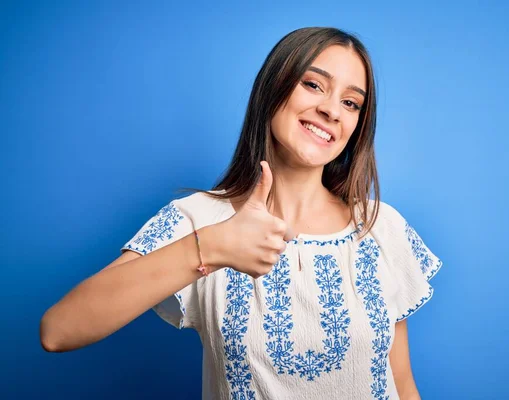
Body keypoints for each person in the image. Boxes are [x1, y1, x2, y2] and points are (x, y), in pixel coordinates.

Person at [40, 27, 443, 400]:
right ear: (273, 89)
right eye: (313, 84)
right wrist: (210, 248)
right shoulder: (199, 219)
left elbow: (402, 381)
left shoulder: (380, 226)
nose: (331, 110)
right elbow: (58, 330)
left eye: (351, 102)